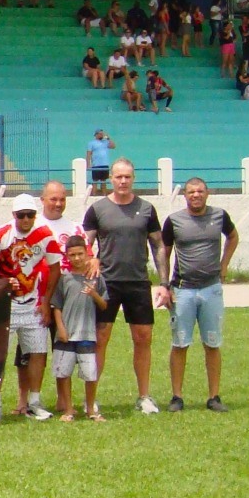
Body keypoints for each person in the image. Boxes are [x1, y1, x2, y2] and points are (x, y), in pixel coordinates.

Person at [81, 158, 166, 414]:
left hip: (138, 282)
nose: (123, 181)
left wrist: (164, 283)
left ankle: (144, 396)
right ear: (111, 179)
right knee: (101, 338)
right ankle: (91, 398)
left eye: (127, 177)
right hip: (107, 283)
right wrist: (92, 257)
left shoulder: (147, 209)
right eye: (118, 177)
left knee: (143, 338)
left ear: (133, 178)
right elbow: (85, 244)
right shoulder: (97, 209)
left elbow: (159, 246)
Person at [161, 178, 238, 413]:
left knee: (212, 343)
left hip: (211, 289)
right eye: (191, 192)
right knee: (180, 343)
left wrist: (224, 265)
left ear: (208, 193)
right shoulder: (174, 221)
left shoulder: (219, 216)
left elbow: (233, 237)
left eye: (200, 191)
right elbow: (164, 253)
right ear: (184, 194)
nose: (196, 195)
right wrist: (165, 285)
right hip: (183, 290)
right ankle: (177, 397)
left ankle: (214, 396)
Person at [0, 193, 61, 421]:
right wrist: (1, 286)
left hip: (33, 304)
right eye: (21, 216)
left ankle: (34, 402)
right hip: (6, 305)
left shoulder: (45, 235)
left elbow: (55, 267)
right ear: (14, 215)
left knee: (38, 352)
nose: (26, 220)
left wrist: (46, 300)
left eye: (30, 215)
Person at [51, 236, 107, 422]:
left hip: (87, 334)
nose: (76, 258)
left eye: (80, 254)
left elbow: (104, 305)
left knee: (90, 373)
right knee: (64, 372)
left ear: (86, 253)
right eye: (72, 255)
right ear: (67, 256)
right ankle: (68, 409)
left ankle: (90, 408)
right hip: (66, 335)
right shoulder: (64, 279)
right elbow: (57, 306)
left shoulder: (96, 278)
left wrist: (94, 294)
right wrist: (61, 329)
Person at [85, 129, 116, 195]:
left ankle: (104, 195)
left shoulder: (106, 142)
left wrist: (108, 138)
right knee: (95, 181)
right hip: (96, 165)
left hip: (104, 164)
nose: (102, 135)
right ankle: (94, 194)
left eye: (102, 134)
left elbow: (113, 146)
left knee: (103, 181)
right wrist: (88, 164)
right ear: (96, 135)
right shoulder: (91, 143)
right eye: (100, 134)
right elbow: (88, 154)